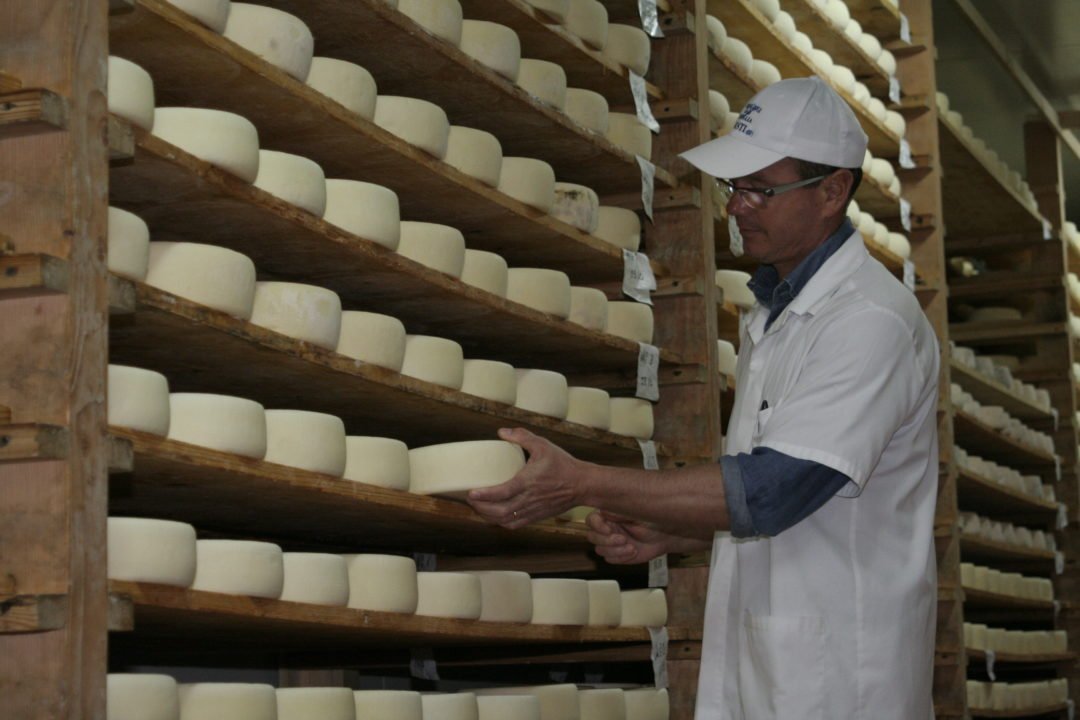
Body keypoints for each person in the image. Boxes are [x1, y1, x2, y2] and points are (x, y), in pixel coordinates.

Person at [467, 77, 938, 719]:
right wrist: (674, 525)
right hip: (778, 673)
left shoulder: (869, 321)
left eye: (759, 189)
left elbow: (774, 489)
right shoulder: (775, 311)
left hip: (841, 684)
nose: (736, 207)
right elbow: (784, 496)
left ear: (832, 192)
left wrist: (582, 483)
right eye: (733, 186)